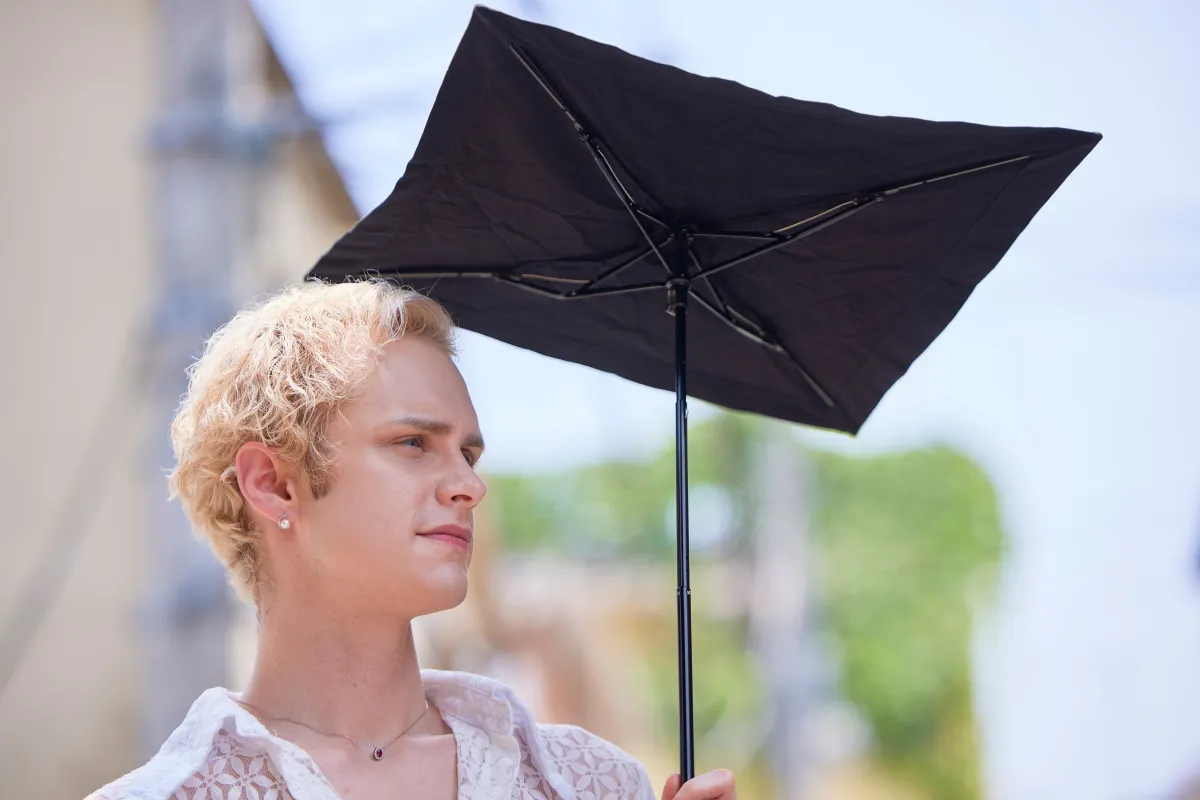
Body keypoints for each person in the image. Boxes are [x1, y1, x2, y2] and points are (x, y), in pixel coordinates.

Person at [89, 279, 737, 800]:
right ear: (274, 484)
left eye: (469, 454)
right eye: (413, 443)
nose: (469, 486)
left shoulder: (589, 783)